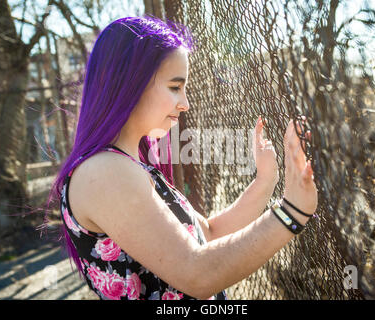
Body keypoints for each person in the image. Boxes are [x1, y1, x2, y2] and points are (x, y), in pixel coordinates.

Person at [47, 16, 318, 300]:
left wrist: (266, 180)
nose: (185, 102)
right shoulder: (104, 172)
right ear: (129, 83)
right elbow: (197, 274)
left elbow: (209, 234)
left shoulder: (129, 167)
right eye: (175, 87)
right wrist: (292, 212)